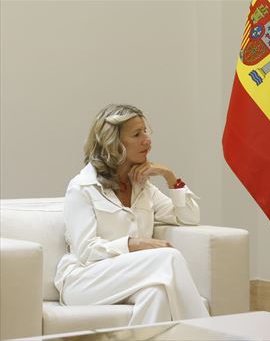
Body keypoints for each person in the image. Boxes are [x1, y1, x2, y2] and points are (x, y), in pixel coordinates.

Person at [54, 104, 209, 325]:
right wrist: (136, 244)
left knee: (157, 294)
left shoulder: (142, 187)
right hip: (85, 281)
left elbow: (190, 217)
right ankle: (210, 333)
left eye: (146, 131)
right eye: (137, 134)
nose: (147, 140)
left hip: (131, 277)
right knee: (169, 257)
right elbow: (86, 251)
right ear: (113, 143)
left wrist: (170, 177)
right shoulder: (82, 187)